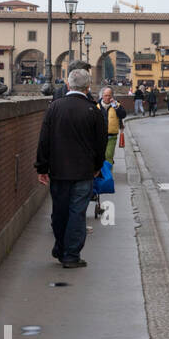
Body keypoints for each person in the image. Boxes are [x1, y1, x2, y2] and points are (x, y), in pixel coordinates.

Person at [35, 68, 106, 269]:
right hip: (84, 171)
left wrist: (42, 167)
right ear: (88, 87)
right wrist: (97, 166)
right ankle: (71, 255)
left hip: (58, 170)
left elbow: (44, 140)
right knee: (77, 212)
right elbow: (100, 144)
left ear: (68, 85)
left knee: (59, 210)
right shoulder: (94, 110)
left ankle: (60, 247)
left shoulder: (54, 107)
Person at [99, 87, 127, 162]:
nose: (108, 97)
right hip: (99, 136)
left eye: (109, 96)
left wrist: (116, 106)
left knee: (108, 156)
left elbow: (123, 115)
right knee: (100, 157)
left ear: (112, 96)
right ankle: (102, 172)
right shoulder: (97, 106)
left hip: (112, 136)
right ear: (102, 96)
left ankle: (108, 173)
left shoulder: (117, 105)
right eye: (106, 95)